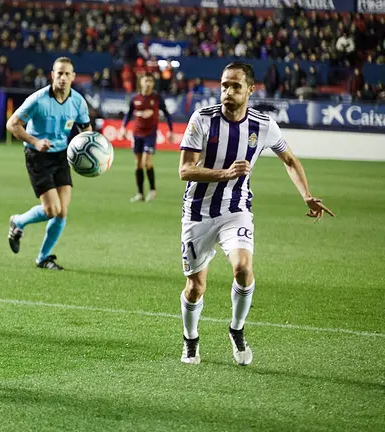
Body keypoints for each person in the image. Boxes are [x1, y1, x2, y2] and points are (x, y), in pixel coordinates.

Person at [177, 62, 334, 366]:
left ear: (250, 89)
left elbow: (289, 160)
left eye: (235, 86)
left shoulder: (264, 125)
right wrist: (224, 174)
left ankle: (236, 330)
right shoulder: (202, 120)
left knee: (243, 269)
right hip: (197, 213)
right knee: (195, 287)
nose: (228, 92)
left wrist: (307, 195)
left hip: (236, 210)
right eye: (224, 85)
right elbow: (185, 170)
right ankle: (191, 339)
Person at [5, 57, 91, 270]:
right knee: (52, 209)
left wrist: (89, 152)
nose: (62, 77)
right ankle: (18, 221)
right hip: (38, 156)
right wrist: (35, 141)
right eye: (58, 73)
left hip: (62, 156)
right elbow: (12, 124)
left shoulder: (78, 101)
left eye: (66, 74)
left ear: (73, 77)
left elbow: (86, 130)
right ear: (52, 75)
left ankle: (43, 258)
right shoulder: (38, 99)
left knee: (62, 211)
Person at [119, 74, 173, 203]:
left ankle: (153, 190)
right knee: (138, 164)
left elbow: (167, 114)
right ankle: (139, 193)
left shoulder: (157, 98)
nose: (148, 83)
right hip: (137, 134)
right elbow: (129, 113)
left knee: (146, 162)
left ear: (153, 83)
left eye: (150, 81)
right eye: (146, 80)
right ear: (141, 82)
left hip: (150, 134)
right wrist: (123, 127)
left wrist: (171, 130)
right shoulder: (135, 98)